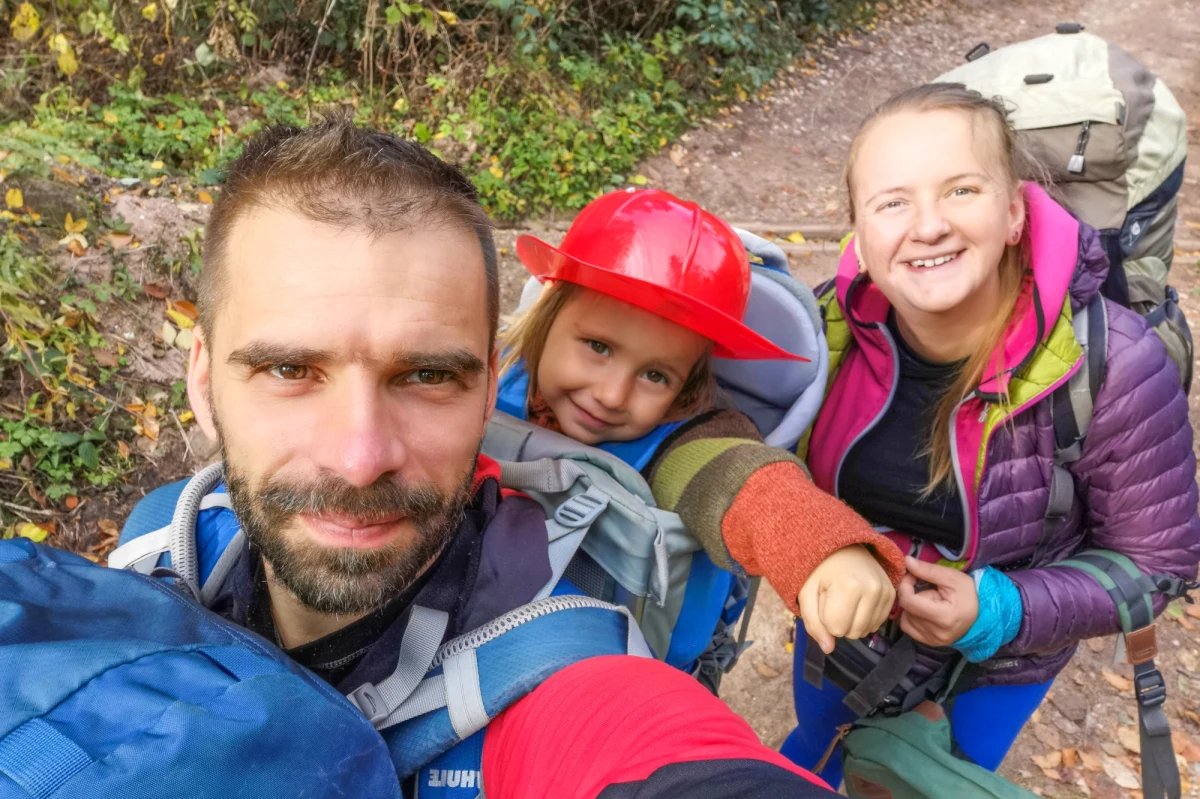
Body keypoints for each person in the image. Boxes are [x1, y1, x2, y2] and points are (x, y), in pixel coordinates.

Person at [113, 114, 838, 798]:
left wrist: (823, 548)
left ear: (489, 388)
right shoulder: (152, 550)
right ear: (203, 382)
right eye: (290, 369)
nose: (361, 458)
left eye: (427, 375)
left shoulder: (570, 653)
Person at [781, 82, 1200, 786]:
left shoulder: (1113, 362)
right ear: (859, 229)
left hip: (995, 669)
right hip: (839, 638)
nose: (928, 225)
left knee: (924, 782)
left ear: (1013, 212)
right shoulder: (827, 329)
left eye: (960, 190)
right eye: (892, 202)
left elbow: (1161, 561)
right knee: (811, 763)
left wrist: (1001, 610)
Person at [498, 188, 906, 665]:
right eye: (598, 347)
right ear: (546, 318)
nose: (612, 395)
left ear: (686, 387)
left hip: (609, 669)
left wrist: (821, 547)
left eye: (655, 375)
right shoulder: (491, 378)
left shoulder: (683, 439)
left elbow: (741, 480)